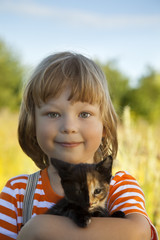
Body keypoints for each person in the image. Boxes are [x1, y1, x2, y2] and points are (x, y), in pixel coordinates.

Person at [0, 52, 158, 240]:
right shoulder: (18, 193)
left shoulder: (118, 187)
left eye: (84, 114)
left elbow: (138, 233)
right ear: (32, 124)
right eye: (53, 114)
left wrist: (38, 229)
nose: (69, 127)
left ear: (105, 126)